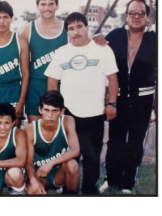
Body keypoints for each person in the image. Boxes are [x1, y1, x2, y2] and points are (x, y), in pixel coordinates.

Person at [45, 12, 119, 194]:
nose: (76, 32)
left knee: (92, 157)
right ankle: (69, 189)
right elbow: (52, 81)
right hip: (69, 113)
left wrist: (112, 103)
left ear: (87, 28)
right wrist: (55, 109)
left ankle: (89, 190)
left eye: (79, 27)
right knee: (70, 156)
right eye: (71, 28)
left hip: (94, 112)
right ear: (67, 32)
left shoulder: (102, 49)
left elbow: (113, 78)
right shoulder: (62, 53)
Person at [97, 0, 156, 194]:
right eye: (132, 13)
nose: (136, 16)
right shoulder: (114, 36)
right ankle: (110, 178)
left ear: (147, 16)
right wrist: (97, 38)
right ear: (127, 15)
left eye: (141, 13)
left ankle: (127, 183)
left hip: (144, 98)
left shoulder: (155, 40)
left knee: (136, 141)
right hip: (119, 97)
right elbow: (98, 53)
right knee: (115, 140)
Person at [20, 0, 68, 123]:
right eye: (43, 4)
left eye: (51, 4)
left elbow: (84, 43)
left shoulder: (66, 29)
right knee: (35, 131)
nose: (47, 8)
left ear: (57, 6)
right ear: (37, 6)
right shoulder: (28, 29)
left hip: (60, 86)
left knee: (58, 132)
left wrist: (98, 37)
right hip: (35, 87)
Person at [25, 90, 80, 195]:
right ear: (40, 110)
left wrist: (51, 163)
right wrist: (33, 181)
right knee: (31, 190)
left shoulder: (67, 121)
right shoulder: (31, 129)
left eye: (54, 111)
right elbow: (28, 163)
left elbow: (75, 150)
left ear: (62, 112)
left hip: (60, 171)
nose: (49, 116)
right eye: (46, 110)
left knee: (73, 165)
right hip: (40, 174)